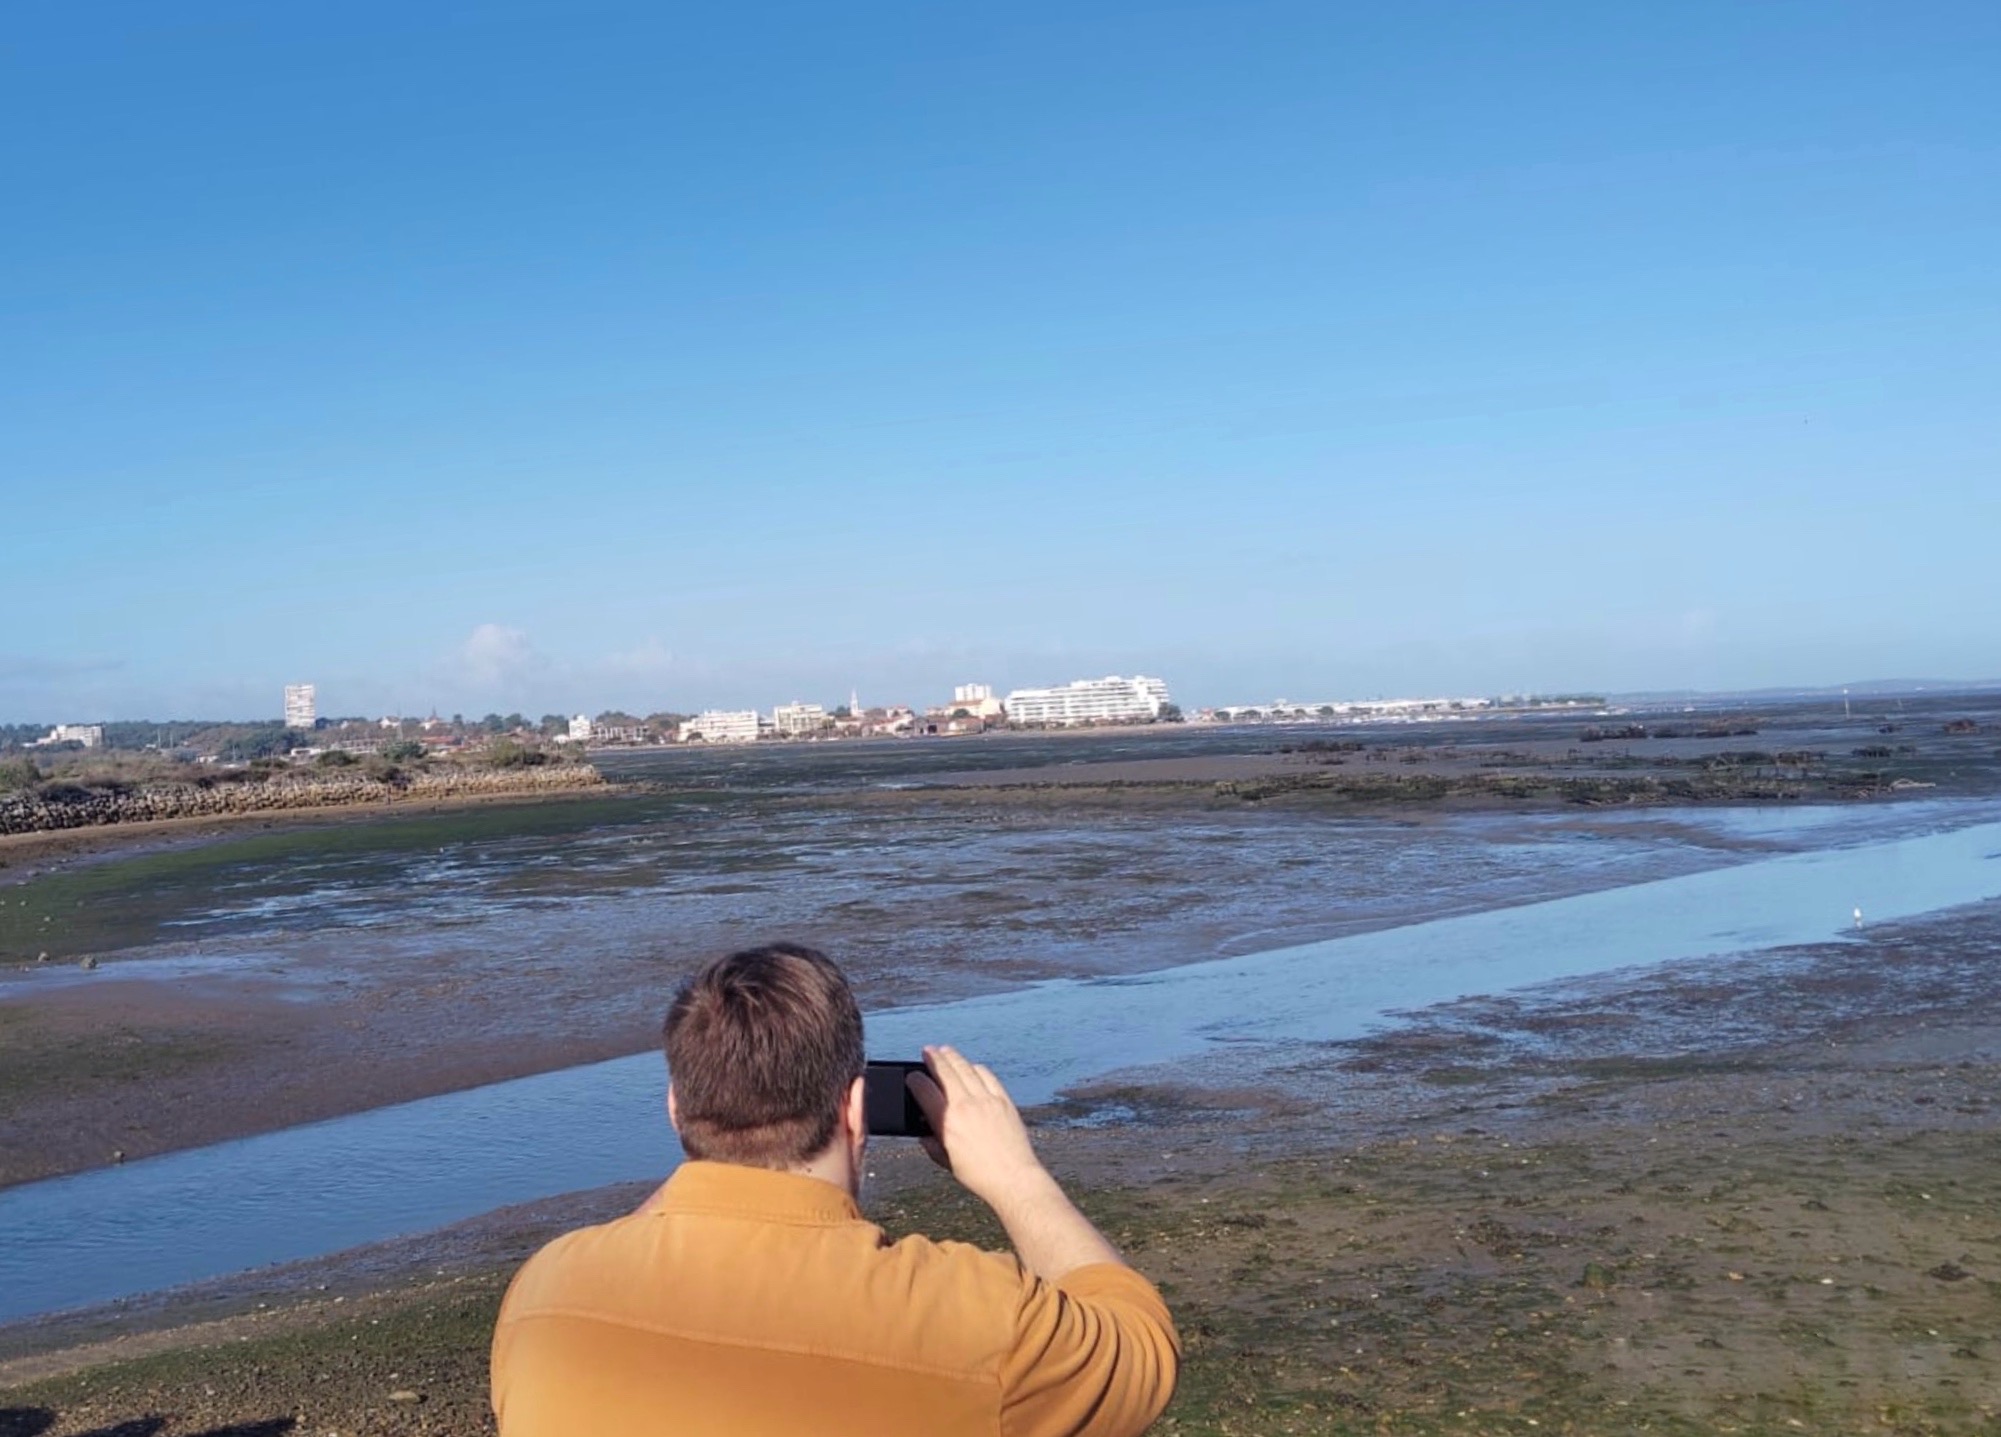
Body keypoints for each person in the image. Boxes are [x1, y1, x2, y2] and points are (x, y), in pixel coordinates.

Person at [490, 942, 1180, 1437]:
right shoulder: (980, 1321)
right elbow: (1141, 1345)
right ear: (854, 1109)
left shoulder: (542, 1296)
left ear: (675, 1108)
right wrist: (1015, 1177)